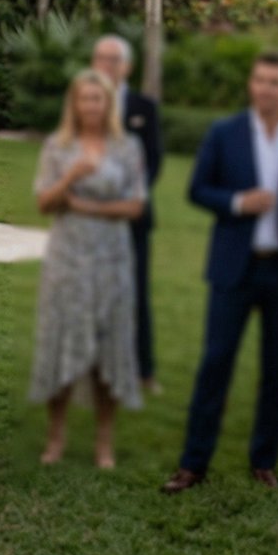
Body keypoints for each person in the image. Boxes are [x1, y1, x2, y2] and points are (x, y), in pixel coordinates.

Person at [162, 51, 278, 494]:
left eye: (275, 81)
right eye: (259, 80)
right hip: (233, 270)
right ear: (251, 86)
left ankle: (264, 461)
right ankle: (193, 463)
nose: (266, 88)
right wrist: (239, 202)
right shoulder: (226, 133)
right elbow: (197, 189)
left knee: (277, 371)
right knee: (214, 365)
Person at [30, 69, 146, 469]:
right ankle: (56, 436)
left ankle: (103, 443)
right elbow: (44, 203)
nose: (91, 106)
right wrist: (71, 178)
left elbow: (135, 206)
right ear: (75, 104)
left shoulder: (127, 147)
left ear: (108, 103)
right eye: (85, 98)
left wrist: (88, 207)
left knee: (108, 347)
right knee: (60, 342)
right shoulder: (57, 147)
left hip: (112, 257)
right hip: (67, 258)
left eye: (98, 99)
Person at [91, 35, 162, 392]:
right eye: (101, 59)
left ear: (127, 66)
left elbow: (154, 162)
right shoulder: (85, 106)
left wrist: (128, 197)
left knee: (135, 292)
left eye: (113, 60)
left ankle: (144, 371)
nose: (106, 65)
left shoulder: (143, 108)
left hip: (132, 217)